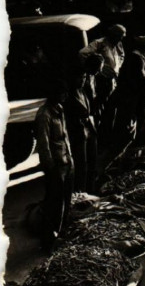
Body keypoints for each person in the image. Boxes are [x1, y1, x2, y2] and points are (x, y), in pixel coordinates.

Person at [35, 80, 73, 248]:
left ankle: (61, 232)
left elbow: (65, 137)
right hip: (55, 165)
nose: (65, 96)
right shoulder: (44, 114)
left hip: (65, 161)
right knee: (54, 203)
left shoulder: (60, 109)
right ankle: (49, 238)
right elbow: (43, 145)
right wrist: (49, 167)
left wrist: (70, 157)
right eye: (62, 93)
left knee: (65, 200)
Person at [109, 37, 145, 155]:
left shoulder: (132, 57)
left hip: (125, 94)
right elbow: (141, 79)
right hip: (128, 97)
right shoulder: (138, 59)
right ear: (144, 49)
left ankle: (121, 146)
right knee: (126, 123)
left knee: (124, 122)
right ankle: (122, 150)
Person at [64, 57, 103, 194]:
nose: (82, 80)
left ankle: (90, 191)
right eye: (79, 78)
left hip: (89, 130)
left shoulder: (83, 91)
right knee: (81, 166)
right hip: (78, 133)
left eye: (84, 77)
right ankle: (80, 193)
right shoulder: (68, 95)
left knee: (92, 164)